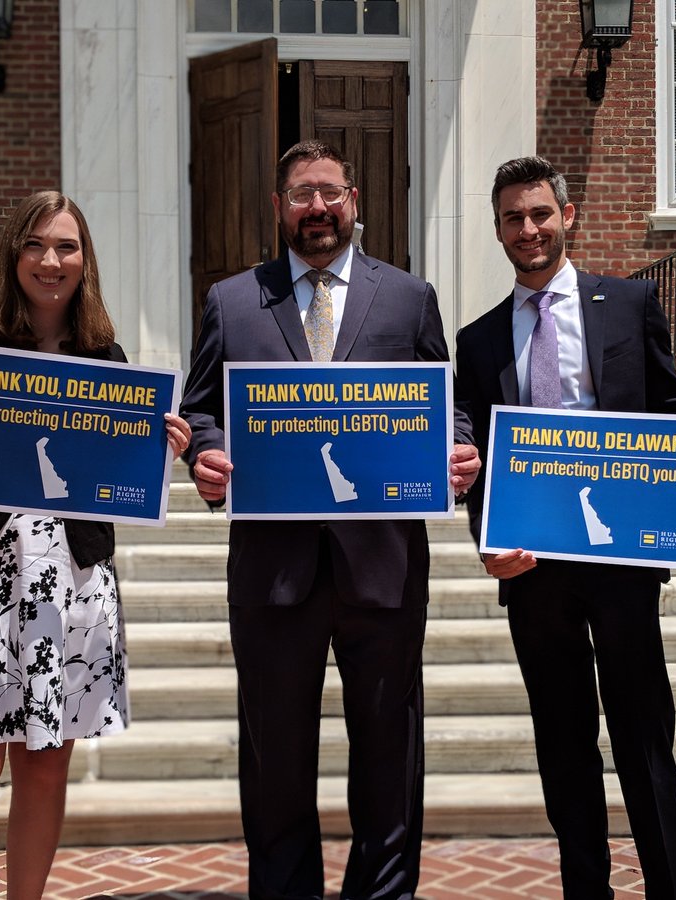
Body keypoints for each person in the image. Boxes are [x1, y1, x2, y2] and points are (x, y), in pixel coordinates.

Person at [180, 140, 481, 900]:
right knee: (276, 758)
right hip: (273, 571)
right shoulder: (233, 300)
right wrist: (206, 458)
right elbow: (202, 410)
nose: (316, 209)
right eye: (300, 195)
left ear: (356, 203)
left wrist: (458, 446)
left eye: (329, 193)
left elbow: (450, 407)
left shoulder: (409, 298)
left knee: (388, 753)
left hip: (382, 567)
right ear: (279, 208)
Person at [454, 156, 676, 900]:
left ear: (567, 215)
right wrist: (486, 537)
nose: (529, 228)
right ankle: (587, 889)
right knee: (564, 742)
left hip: (620, 560)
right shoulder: (478, 341)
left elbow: (672, 412)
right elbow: (475, 458)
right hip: (533, 568)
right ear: (498, 230)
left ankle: (669, 889)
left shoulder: (628, 303)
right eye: (513, 218)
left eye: (540, 213)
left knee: (644, 736)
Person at [0, 190, 191, 900]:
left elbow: (118, 480)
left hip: (70, 578)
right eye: (35, 244)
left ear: (85, 261)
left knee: (46, 764)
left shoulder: (106, 358)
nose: (50, 260)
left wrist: (160, 456)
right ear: (12, 255)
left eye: (66, 246)